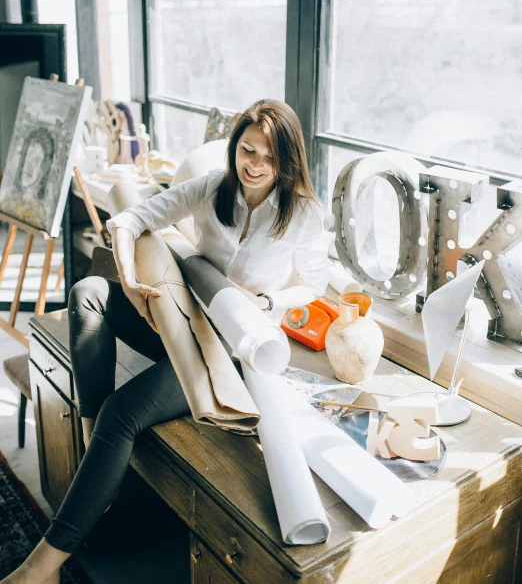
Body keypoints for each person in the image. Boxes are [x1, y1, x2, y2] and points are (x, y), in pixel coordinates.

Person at [1, 99, 331, 584]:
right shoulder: (214, 189)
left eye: (269, 156)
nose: (255, 165)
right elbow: (130, 219)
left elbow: (316, 287)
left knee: (125, 411)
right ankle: (94, 440)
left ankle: (43, 566)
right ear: (235, 147)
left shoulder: (303, 213)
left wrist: (264, 306)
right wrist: (131, 284)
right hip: (178, 321)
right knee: (87, 291)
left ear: (288, 160)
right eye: (247, 150)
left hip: (233, 351)